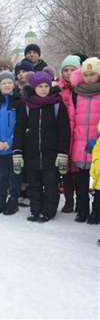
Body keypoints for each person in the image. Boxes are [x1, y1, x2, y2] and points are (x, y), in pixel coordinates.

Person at [13, 68, 70, 222]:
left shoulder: (57, 105)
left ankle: (48, 211)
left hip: (51, 153)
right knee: (33, 184)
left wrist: (63, 152)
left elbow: (64, 130)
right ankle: (35, 210)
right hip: (31, 152)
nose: (43, 89)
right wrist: (17, 151)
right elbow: (19, 129)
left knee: (51, 184)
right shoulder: (26, 105)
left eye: (46, 86)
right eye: (40, 86)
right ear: (33, 87)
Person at [68, 57, 100, 224]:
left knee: (98, 180)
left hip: (98, 146)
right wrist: (71, 143)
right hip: (80, 144)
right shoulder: (76, 93)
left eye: (92, 74)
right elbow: (71, 120)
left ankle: (97, 211)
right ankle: (82, 209)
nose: (89, 78)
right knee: (81, 179)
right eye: (86, 74)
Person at [0, 71, 22, 215]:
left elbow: (21, 124)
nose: (7, 85)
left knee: (15, 175)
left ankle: (13, 200)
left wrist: (10, 141)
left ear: (14, 84)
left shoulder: (19, 102)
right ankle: (1, 199)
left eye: (9, 82)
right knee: (1, 176)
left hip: (13, 147)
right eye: (3, 83)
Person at [56, 55, 81, 213]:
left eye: (73, 69)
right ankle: (69, 201)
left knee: (78, 171)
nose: (69, 73)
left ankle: (81, 200)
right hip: (63, 133)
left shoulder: (82, 89)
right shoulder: (58, 89)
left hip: (79, 133)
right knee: (65, 170)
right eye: (66, 70)